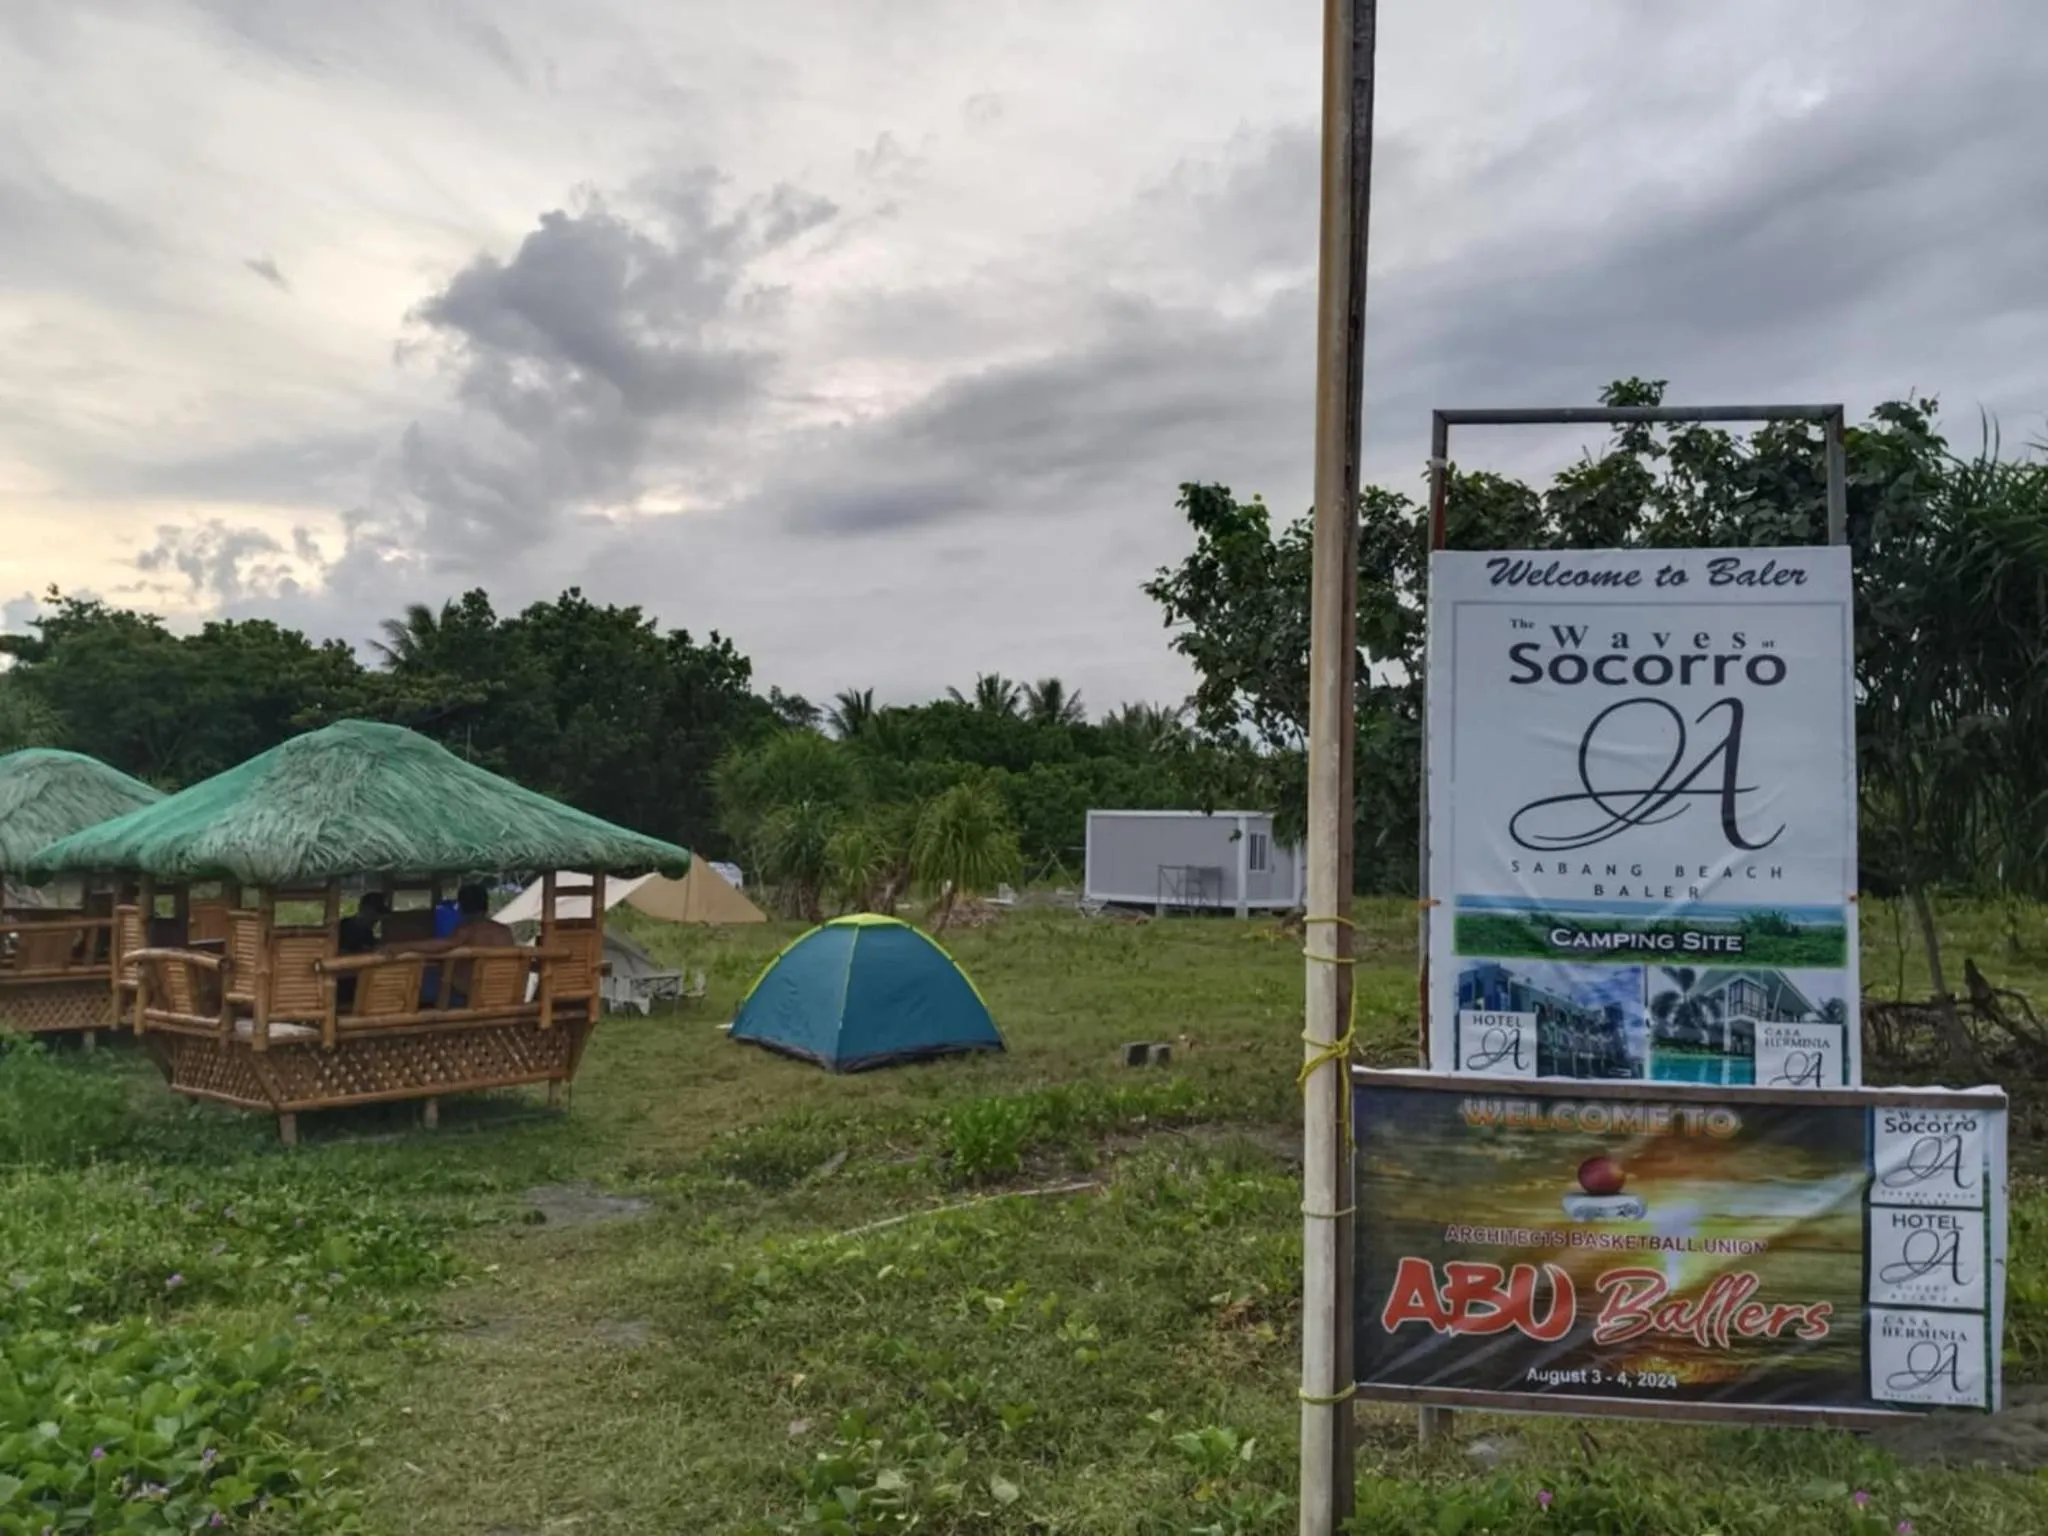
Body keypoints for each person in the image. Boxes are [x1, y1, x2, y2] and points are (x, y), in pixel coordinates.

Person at [410, 883, 515, 1007]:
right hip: (502, 993)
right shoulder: (505, 931)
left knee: (422, 982)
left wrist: (403, 947)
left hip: (471, 996)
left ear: (461, 906)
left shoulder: (467, 930)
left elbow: (442, 945)